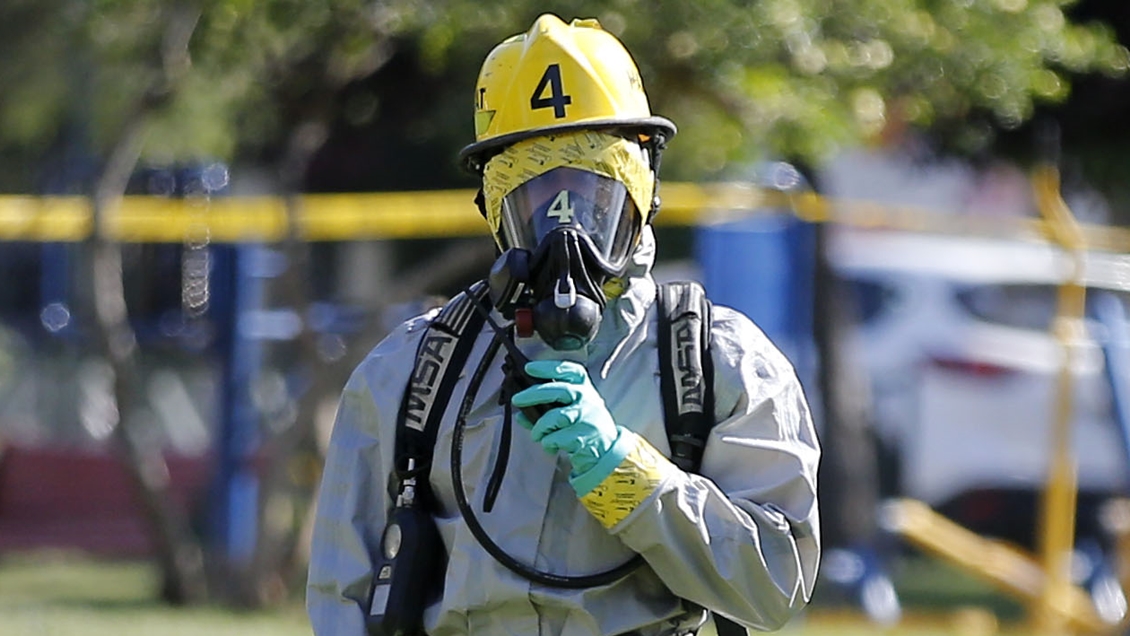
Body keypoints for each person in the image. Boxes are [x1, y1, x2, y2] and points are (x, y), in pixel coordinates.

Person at [307, 13, 820, 636]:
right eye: (539, 203)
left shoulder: (720, 366)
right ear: (495, 209)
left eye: (593, 197)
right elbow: (342, 602)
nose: (567, 236)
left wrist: (622, 471)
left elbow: (774, 590)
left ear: (643, 195)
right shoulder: (409, 374)